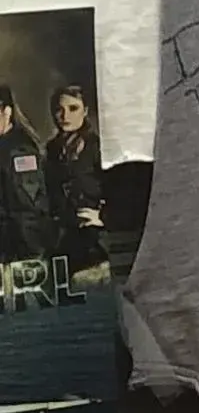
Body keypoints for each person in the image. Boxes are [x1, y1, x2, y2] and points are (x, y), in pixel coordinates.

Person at [44, 83, 111, 284]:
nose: (65, 115)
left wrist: (103, 216)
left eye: (73, 108)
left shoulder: (97, 147)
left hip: (96, 240)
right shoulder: (52, 149)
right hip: (63, 238)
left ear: (85, 111)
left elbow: (120, 190)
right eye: (59, 110)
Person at [0, 83, 53, 264]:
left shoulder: (19, 151)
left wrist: (30, 256)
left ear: (6, 112)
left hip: (18, 251)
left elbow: (28, 208)